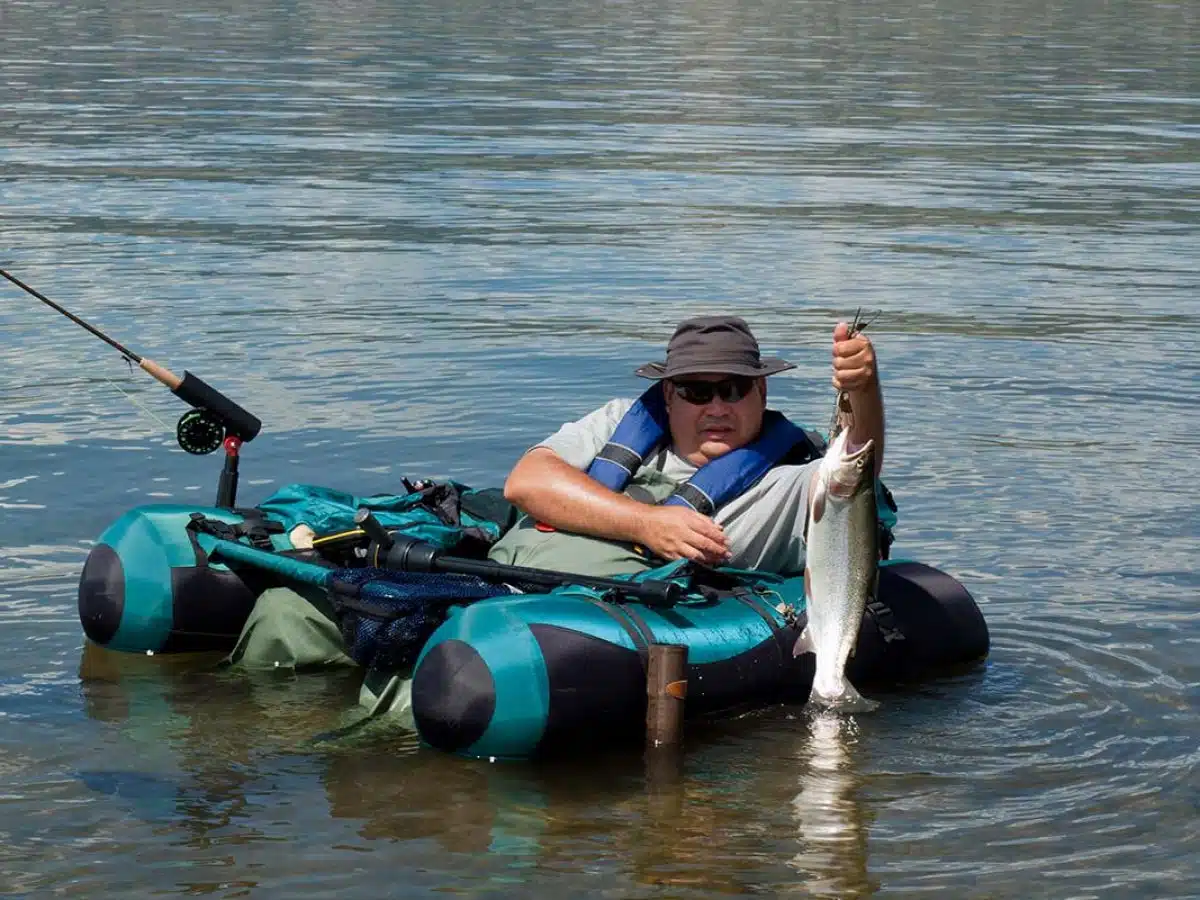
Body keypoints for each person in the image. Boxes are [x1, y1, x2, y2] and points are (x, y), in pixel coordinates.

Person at [486, 314, 883, 579]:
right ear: (669, 395)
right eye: (696, 391)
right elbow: (525, 483)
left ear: (761, 390)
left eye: (733, 389)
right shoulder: (619, 421)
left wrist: (862, 389)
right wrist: (646, 523)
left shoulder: (785, 485)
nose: (716, 408)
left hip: (585, 627)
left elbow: (856, 468)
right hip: (502, 580)